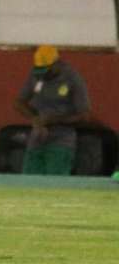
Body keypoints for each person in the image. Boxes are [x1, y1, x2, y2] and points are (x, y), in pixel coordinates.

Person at [14, 46, 90, 175]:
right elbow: (19, 103)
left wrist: (54, 120)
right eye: (39, 70)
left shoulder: (72, 79)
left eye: (46, 70)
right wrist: (35, 118)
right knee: (28, 183)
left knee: (55, 185)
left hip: (61, 141)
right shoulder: (36, 75)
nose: (42, 74)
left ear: (57, 63)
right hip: (37, 138)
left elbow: (84, 116)